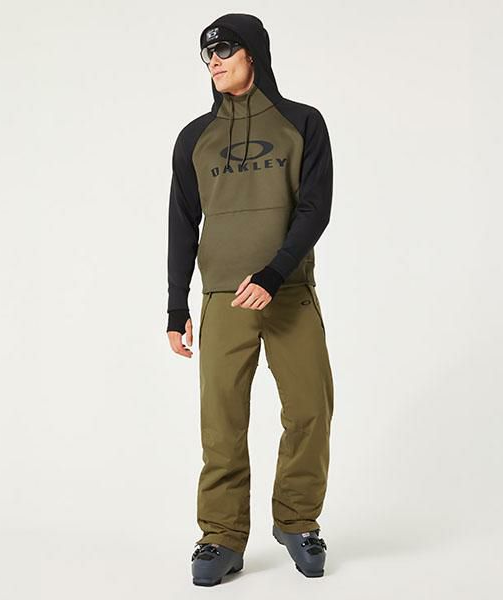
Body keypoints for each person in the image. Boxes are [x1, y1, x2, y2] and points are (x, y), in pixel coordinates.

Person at [166, 13, 334, 586]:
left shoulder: (302, 123)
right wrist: (176, 306)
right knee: (222, 421)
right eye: (207, 54)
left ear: (253, 53)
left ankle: (297, 521)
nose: (213, 62)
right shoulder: (195, 138)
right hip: (223, 296)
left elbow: (314, 209)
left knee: (310, 409)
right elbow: (182, 223)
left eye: (225, 50)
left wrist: (274, 272)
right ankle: (220, 535)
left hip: (288, 292)